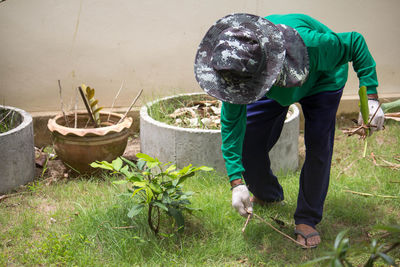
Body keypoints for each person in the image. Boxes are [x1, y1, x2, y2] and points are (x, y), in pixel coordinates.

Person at [194, 13, 384, 247]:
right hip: (266, 86)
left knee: (318, 146)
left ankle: (307, 218)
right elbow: (232, 126)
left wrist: (371, 96)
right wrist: (236, 181)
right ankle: (267, 194)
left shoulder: (315, 45)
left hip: (323, 80)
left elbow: (354, 42)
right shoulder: (237, 71)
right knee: (249, 141)